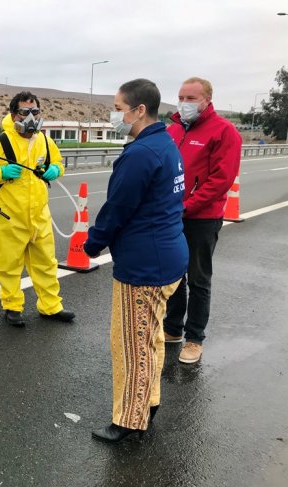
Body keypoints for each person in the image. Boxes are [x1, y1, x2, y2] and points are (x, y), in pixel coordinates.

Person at [83, 79, 188, 443]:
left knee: (131, 344)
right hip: (166, 255)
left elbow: (118, 209)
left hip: (145, 267)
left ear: (138, 110)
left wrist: (93, 243)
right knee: (151, 338)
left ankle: (130, 420)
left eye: (118, 107)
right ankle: (149, 401)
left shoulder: (141, 153)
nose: (115, 115)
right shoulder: (165, 143)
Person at [0, 91, 75, 327]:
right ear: (13, 114)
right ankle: (12, 306)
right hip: (8, 216)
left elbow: (58, 162)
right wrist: (0, 173)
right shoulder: (0, 143)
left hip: (39, 215)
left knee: (46, 263)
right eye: (25, 112)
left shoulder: (45, 142)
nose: (31, 116)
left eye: (35, 111)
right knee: (9, 266)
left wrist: (56, 170)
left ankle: (51, 306)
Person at [163, 77, 241, 364]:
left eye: (191, 98)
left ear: (207, 100)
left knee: (198, 279)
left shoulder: (224, 132)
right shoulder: (172, 130)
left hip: (202, 218)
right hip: (172, 216)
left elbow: (221, 180)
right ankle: (172, 329)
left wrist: (187, 206)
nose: (184, 103)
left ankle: (194, 338)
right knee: (173, 276)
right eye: (181, 97)